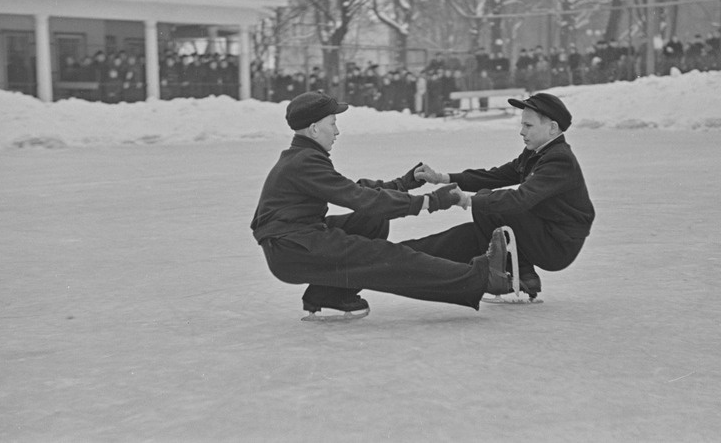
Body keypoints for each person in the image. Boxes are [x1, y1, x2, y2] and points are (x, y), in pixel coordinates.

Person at [250, 91, 512, 320]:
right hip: (293, 248)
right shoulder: (304, 162)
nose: (338, 131)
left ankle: (329, 295)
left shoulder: (302, 157)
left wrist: (403, 184)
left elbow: (355, 191)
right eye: (333, 123)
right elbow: (360, 197)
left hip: (294, 241)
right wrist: (431, 202)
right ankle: (480, 279)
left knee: (372, 220)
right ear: (315, 128)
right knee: (388, 258)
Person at [408, 92, 595, 299]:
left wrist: (469, 200)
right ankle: (524, 274)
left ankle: (503, 273)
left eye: (528, 126)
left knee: (488, 204)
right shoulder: (537, 153)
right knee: (475, 227)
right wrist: (442, 177)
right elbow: (495, 176)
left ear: (552, 128)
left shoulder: (559, 160)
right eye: (522, 125)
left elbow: (521, 199)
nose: (521, 132)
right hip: (543, 232)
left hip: (557, 245)